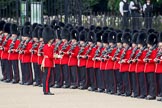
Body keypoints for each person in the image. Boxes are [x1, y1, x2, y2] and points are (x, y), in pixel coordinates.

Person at [143, 33, 157, 100]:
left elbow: (154, 59)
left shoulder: (154, 51)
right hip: (147, 68)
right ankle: (149, 93)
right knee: (148, 82)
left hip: (151, 68)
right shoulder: (148, 50)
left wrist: (148, 60)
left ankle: (152, 94)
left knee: (152, 82)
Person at [154, 32, 162, 101]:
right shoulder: (158, 51)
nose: (160, 47)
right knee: (159, 83)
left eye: (161, 46)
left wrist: (159, 61)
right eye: (159, 46)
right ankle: (159, 94)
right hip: (157, 69)